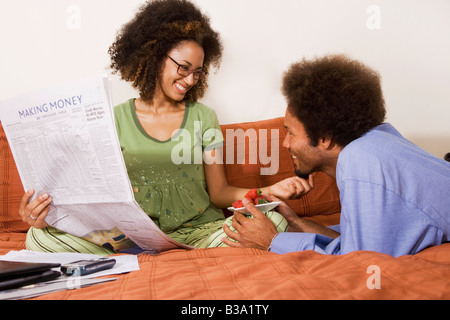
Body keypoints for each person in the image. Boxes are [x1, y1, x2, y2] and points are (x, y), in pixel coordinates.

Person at [19, 0, 306, 255]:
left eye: (198, 72)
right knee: (38, 236)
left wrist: (271, 188)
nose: (191, 79)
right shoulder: (113, 119)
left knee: (274, 222)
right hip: (133, 238)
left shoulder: (203, 117)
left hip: (201, 233)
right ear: (155, 56)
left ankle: (186, 250)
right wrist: (45, 213)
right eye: (183, 67)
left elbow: (219, 193)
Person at [222, 54, 450, 257]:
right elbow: (355, 242)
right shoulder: (378, 140)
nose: (285, 144)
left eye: (290, 132)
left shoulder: (359, 159)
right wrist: (297, 224)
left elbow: (362, 262)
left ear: (324, 137)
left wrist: (272, 241)